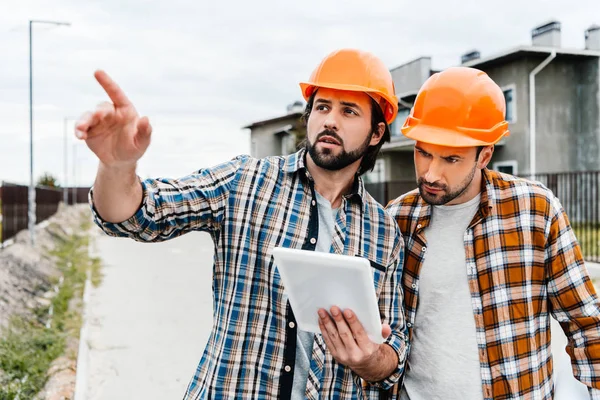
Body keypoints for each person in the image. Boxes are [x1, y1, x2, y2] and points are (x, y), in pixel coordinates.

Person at [75, 48, 409, 399]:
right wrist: (116, 168)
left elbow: (394, 353)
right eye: (322, 106)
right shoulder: (245, 182)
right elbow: (138, 215)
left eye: (349, 111)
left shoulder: (382, 231)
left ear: (376, 133)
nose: (330, 120)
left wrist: (370, 359)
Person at [385, 66, 600, 399]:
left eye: (451, 158)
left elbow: (585, 322)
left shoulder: (535, 210)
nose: (430, 172)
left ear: (484, 155)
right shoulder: (397, 219)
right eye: (423, 152)